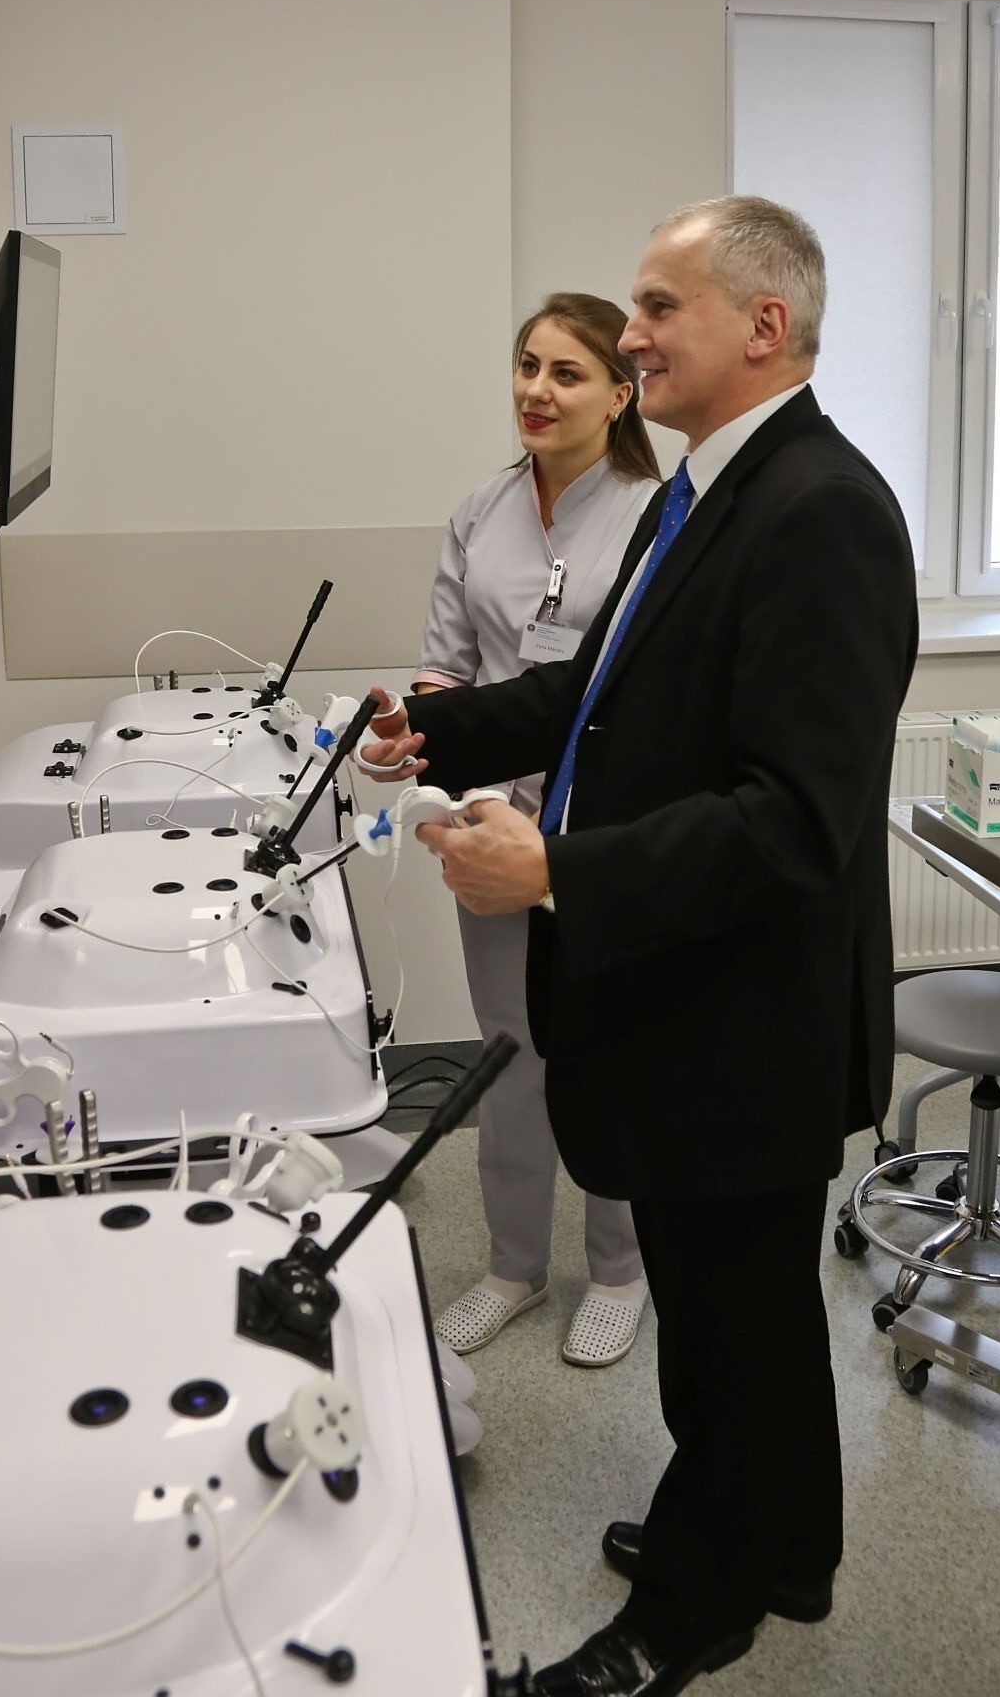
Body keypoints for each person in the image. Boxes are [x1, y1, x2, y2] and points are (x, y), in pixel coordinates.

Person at [362, 197, 918, 1696]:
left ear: (764, 326)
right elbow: (594, 694)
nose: (633, 336)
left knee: (726, 1331)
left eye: (661, 307)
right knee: (754, 1311)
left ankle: (688, 1610)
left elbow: (793, 823)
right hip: (691, 994)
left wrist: (556, 868)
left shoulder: (821, 512)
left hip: (746, 1015)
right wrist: (439, 733)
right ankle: (785, 1550)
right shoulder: (701, 493)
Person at [415, 293, 662, 1367]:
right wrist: (414, 740)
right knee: (509, 1052)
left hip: (604, 835)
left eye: (566, 372)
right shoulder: (481, 512)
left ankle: (619, 1269)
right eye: (527, 365)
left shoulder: (658, 516)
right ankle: (514, 1265)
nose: (537, 390)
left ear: (621, 393)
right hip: (492, 823)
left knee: (610, 1049)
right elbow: (447, 669)